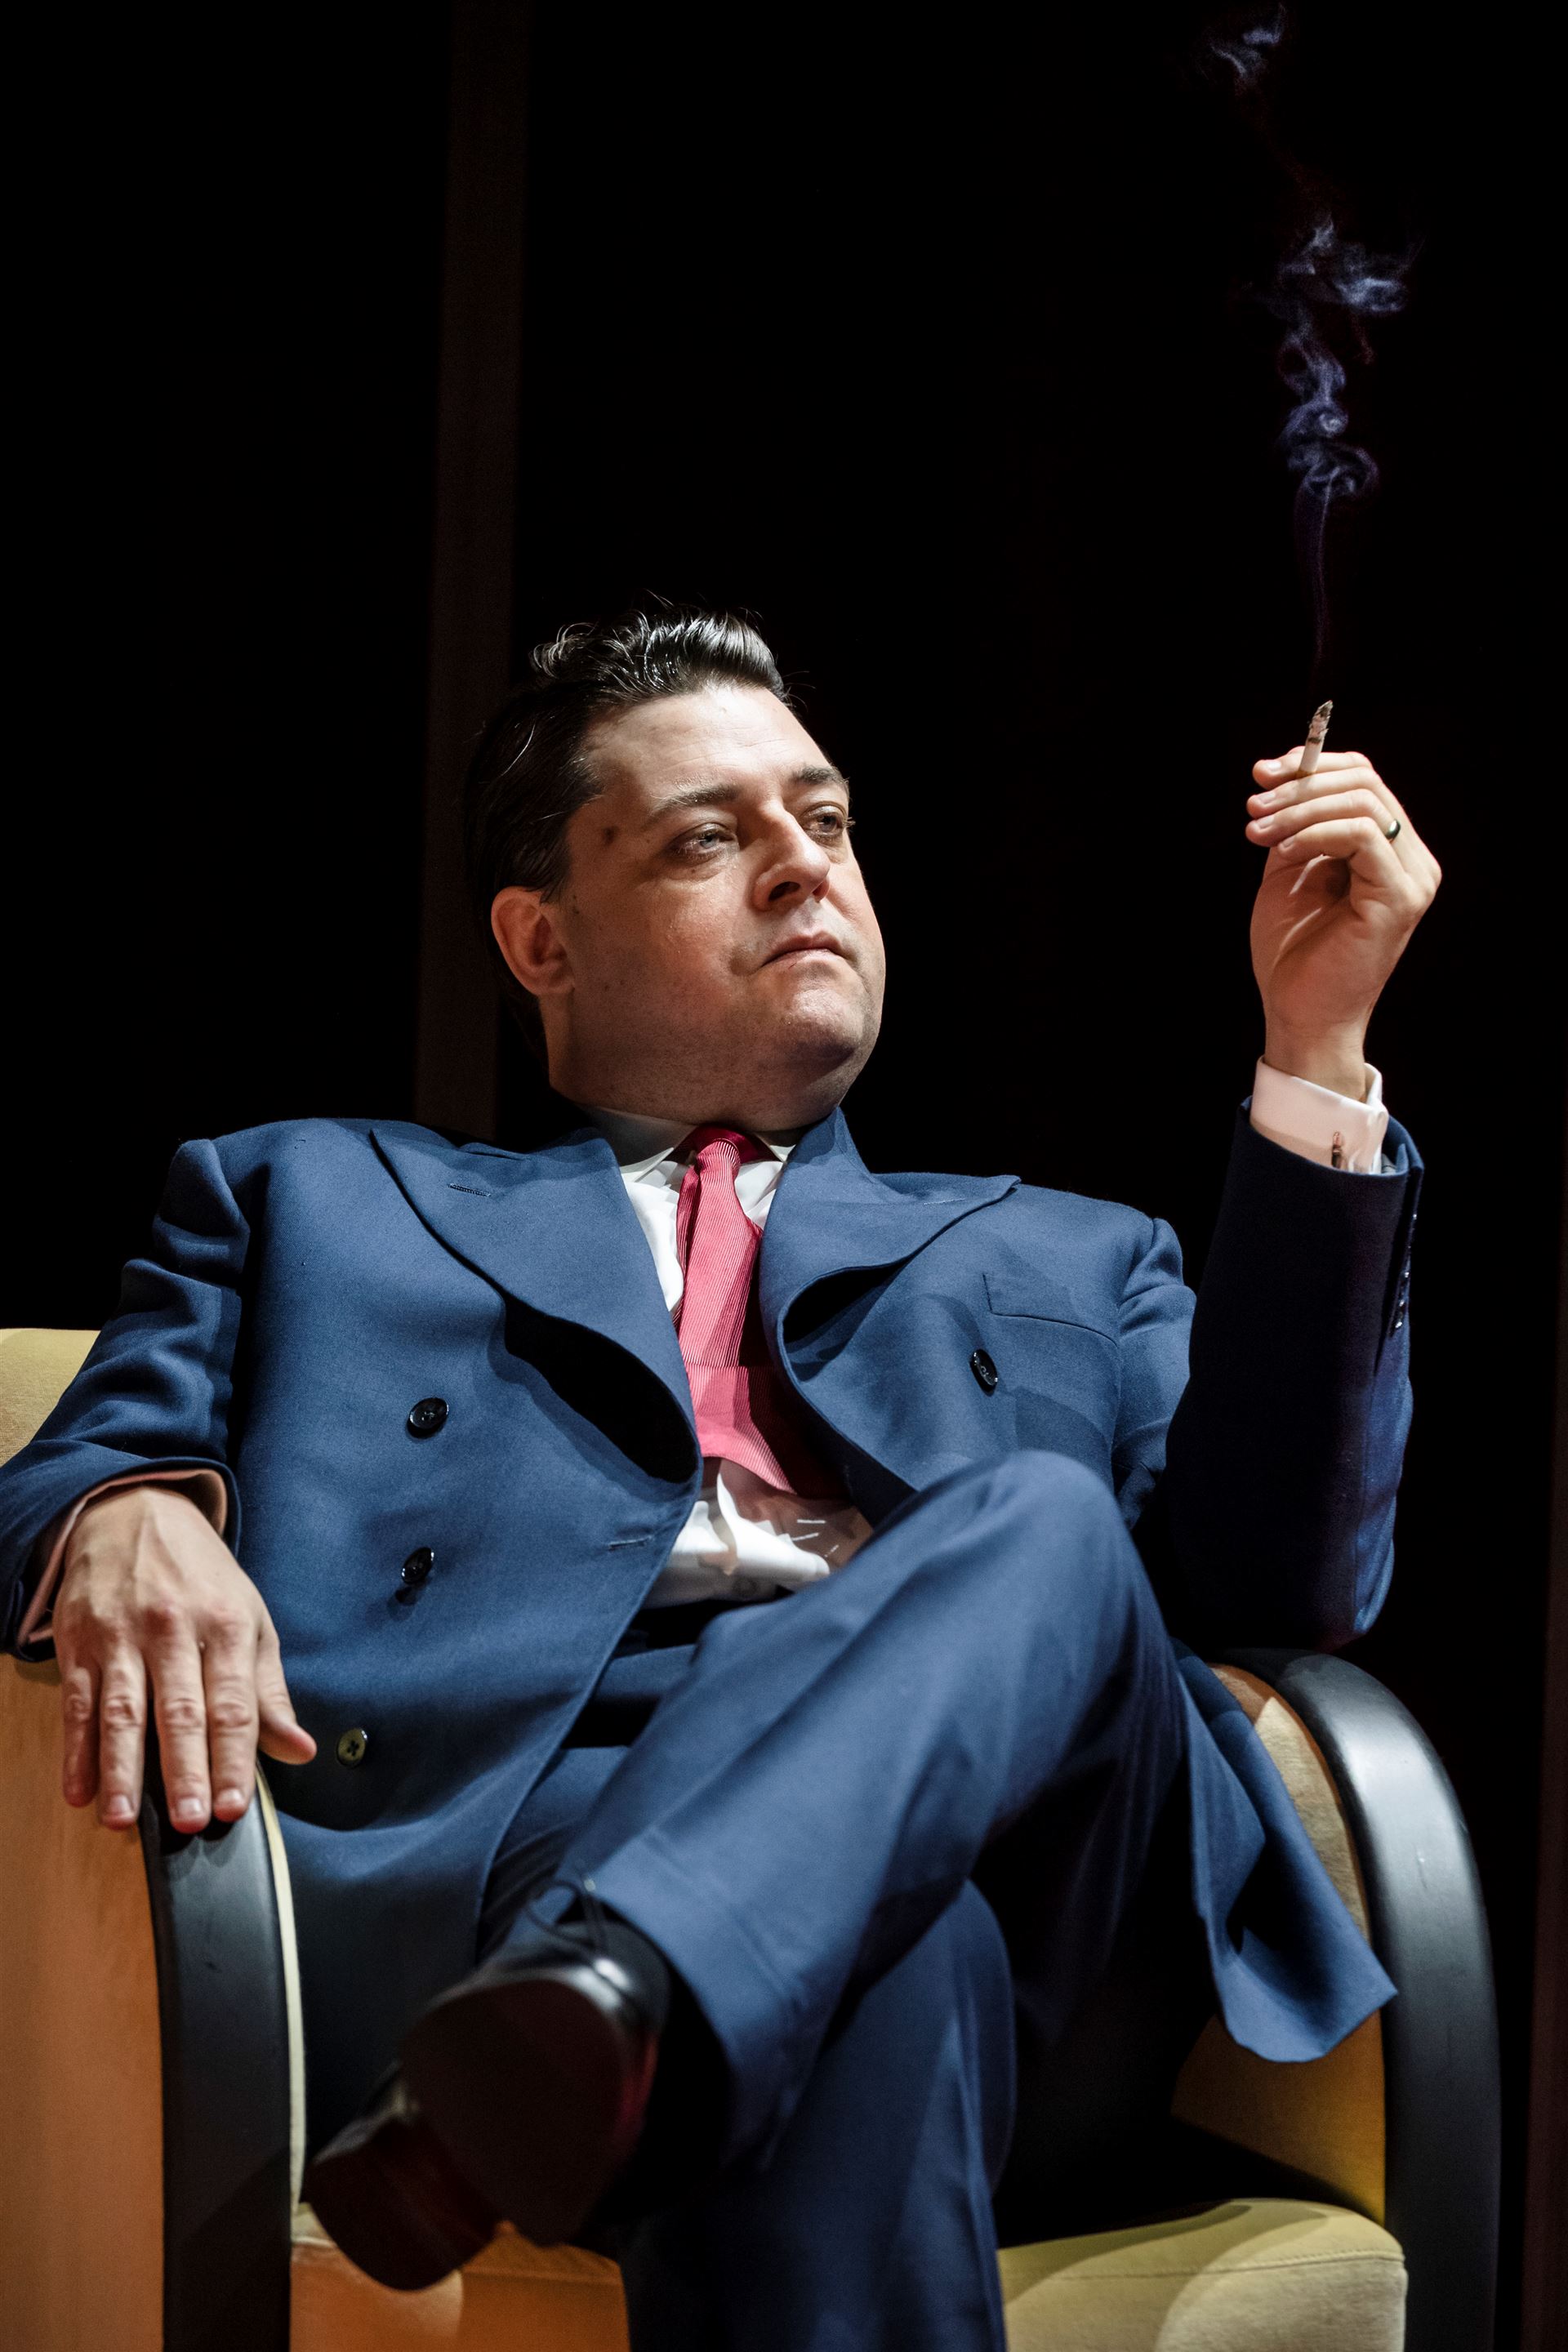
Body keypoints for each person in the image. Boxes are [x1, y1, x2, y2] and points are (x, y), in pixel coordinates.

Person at [0, 607, 1438, 2350]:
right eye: (707, 836)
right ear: (540, 938)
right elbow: (77, 1457)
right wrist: (124, 1508)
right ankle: (630, 2007)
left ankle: (615, 1994)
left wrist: (1316, 1048)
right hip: (546, 1852)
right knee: (863, 1975)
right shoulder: (303, 1200)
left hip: (1047, 1896)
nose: (803, 865)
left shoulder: (1078, 1251)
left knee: (1046, 1526)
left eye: (825, 820)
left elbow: (1288, 1582)